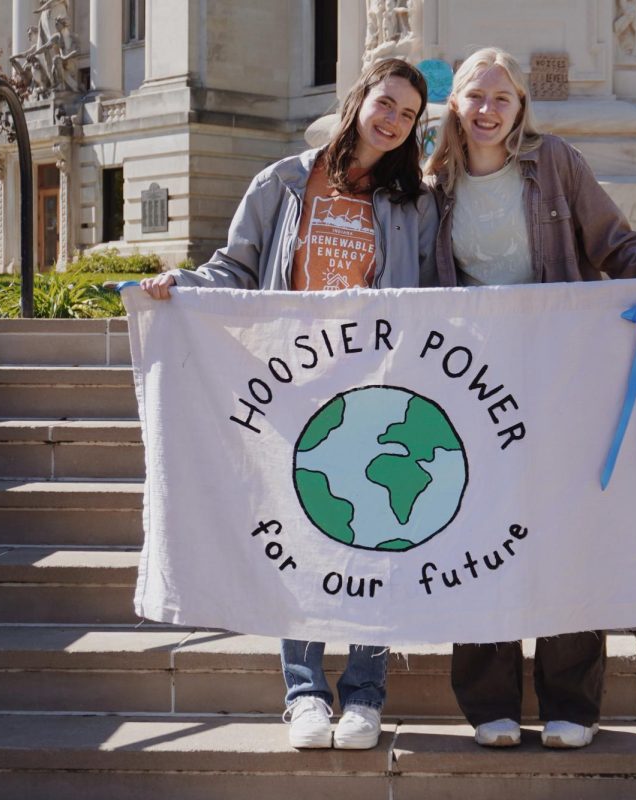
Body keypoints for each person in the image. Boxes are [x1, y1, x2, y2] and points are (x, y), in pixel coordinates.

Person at [141, 57, 436, 750]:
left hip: (375, 389)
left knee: (375, 538)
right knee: (299, 536)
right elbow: (236, 268)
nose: (392, 121)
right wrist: (183, 280)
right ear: (359, 100)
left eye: (408, 115)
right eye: (385, 104)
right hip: (290, 384)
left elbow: (428, 292)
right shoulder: (282, 181)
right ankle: (304, 694)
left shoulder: (414, 202)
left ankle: (364, 695)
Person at [424, 47, 636, 750]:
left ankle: (570, 704)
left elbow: (613, 242)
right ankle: (489, 701)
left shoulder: (554, 164)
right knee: (478, 527)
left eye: (502, 97)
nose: (487, 110)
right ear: (454, 104)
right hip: (467, 381)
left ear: (521, 106)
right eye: (474, 97)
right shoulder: (430, 181)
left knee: (566, 529)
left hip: (558, 371)